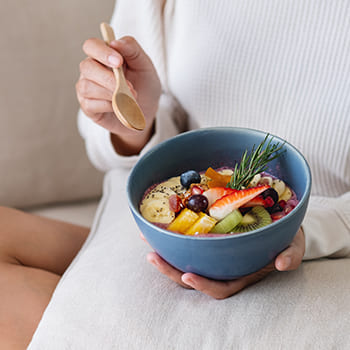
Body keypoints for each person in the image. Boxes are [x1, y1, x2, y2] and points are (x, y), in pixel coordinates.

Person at [1, 0, 349, 347]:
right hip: (167, 236)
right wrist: (138, 119)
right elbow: (136, 142)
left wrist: (306, 231)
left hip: (315, 251)